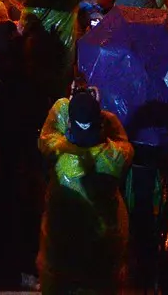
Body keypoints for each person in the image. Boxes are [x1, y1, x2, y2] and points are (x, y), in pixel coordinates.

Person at [36, 89, 133, 295]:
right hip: (101, 256)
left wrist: (72, 101)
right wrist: (99, 111)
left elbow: (49, 127)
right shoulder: (115, 157)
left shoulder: (57, 153)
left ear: (70, 124)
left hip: (60, 254)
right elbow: (121, 137)